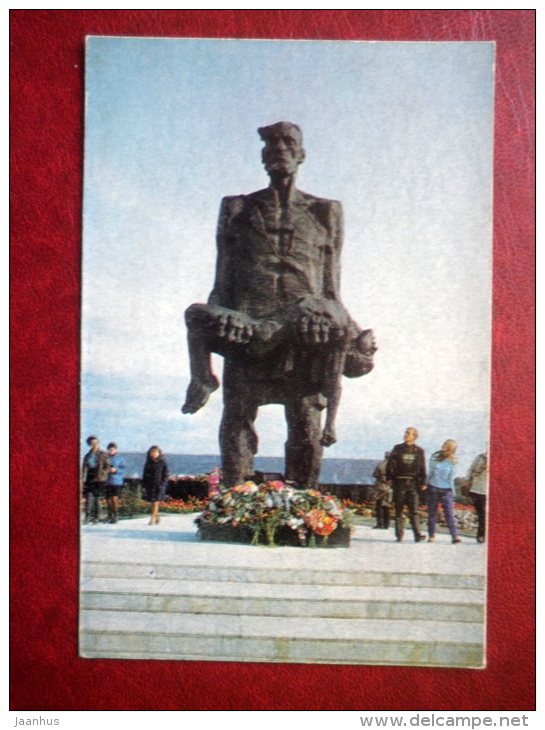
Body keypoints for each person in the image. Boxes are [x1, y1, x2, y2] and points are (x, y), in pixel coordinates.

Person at [182, 122, 376, 488]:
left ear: (301, 154)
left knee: (306, 427)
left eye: (288, 142)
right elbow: (221, 282)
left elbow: (331, 288)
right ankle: (234, 499)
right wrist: (215, 326)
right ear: (262, 156)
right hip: (248, 331)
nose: (279, 148)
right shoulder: (237, 208)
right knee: (236, 419)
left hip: (304, 337)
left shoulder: (325, 212)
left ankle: (306, 508)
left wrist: (353, 336)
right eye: (271, 143)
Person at [386, 427, 427, 542]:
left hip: (413, 483)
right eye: (405, 433)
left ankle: (417, 534)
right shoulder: (398, 448)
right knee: (398, 509)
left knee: (414, 509)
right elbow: (390, 464)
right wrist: (389, 477)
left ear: (414, 436)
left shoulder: (419, 451)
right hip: (399, 481)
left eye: (408, 433)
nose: (406, 435)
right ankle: (399, 535)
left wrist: (423, 482)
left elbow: (422, 467)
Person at [425, 439, 462, 544]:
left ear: (451, 449)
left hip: (446, 489)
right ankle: (431, 535)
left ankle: (454, 536)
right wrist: (425, 484)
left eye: (446, 445)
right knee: (432, 513)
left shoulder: (453, 461)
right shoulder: (435, 457)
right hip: (433, 487)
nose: (443, 445)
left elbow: (451, 478)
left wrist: (452, 492)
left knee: (449, 513)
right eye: (444, 443)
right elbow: (430, 472)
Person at [81, 435, 110, 524]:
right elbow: (84, 468)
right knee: (89, 498)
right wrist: (82, 479)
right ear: (89, 444)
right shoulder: (87, 456)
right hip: (90, 478)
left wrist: (103, 473)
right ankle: (88, 517)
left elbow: (107, 466)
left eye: (96, 443)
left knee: (97, 499)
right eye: (92, 443)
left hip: (100, 479)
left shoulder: (103, 454)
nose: (94, 445)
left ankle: (96, 518)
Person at [142, 445, 169, 526]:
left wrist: (162, 483)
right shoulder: (148, 462)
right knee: (152, 502)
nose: (153, 454)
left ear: (158, 453)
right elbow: (145, 474)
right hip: (149, 485)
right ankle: (157, 517)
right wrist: (144, 485)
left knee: (155, 502)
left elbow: (166, 474)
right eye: (151, 452)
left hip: (158, 485)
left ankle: (152, 519)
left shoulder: (162, 462)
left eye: (155, 452)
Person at [464, 452, 488, 543]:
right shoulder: (480, 457)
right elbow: (471, 469)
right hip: (477, 489)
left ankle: (482, 535)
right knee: (481, 513)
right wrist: (467, 479)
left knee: (484, 513)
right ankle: (481, 535)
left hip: (488, 490)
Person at [105, 442, 126, 524]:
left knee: (114, 499)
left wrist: (116, 470)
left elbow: (123, 469)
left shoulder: (120, 458)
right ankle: (110, 515)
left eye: (113, 449)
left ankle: (115, 515)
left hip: (117, 481)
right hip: (108, 481)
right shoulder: (106, 458)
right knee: (108, 500)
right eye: (110, 449)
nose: (111, 451)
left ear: (115, 449)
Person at [371, 451, 392, 529]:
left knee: (379, 506)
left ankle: (380, 524)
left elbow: (375, 474)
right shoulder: (395, 466)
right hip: (389, 488)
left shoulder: (381, 465)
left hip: (380, 487)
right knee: (387, 506)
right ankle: (387, 524)